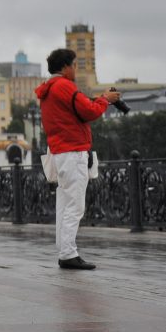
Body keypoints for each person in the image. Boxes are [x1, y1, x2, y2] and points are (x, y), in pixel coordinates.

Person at [36, 48, 120, 270]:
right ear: (65, 67)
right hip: (73, 152)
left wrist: (100, 99)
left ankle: (64, 250)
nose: (75, 69)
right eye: (74, 65)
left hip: (59, 152)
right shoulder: (64, 86)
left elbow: (75, 107)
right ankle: (68, 254)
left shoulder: (49, 89)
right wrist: (105, 100)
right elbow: (89, 111)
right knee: (75, 205)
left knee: (64, 204)